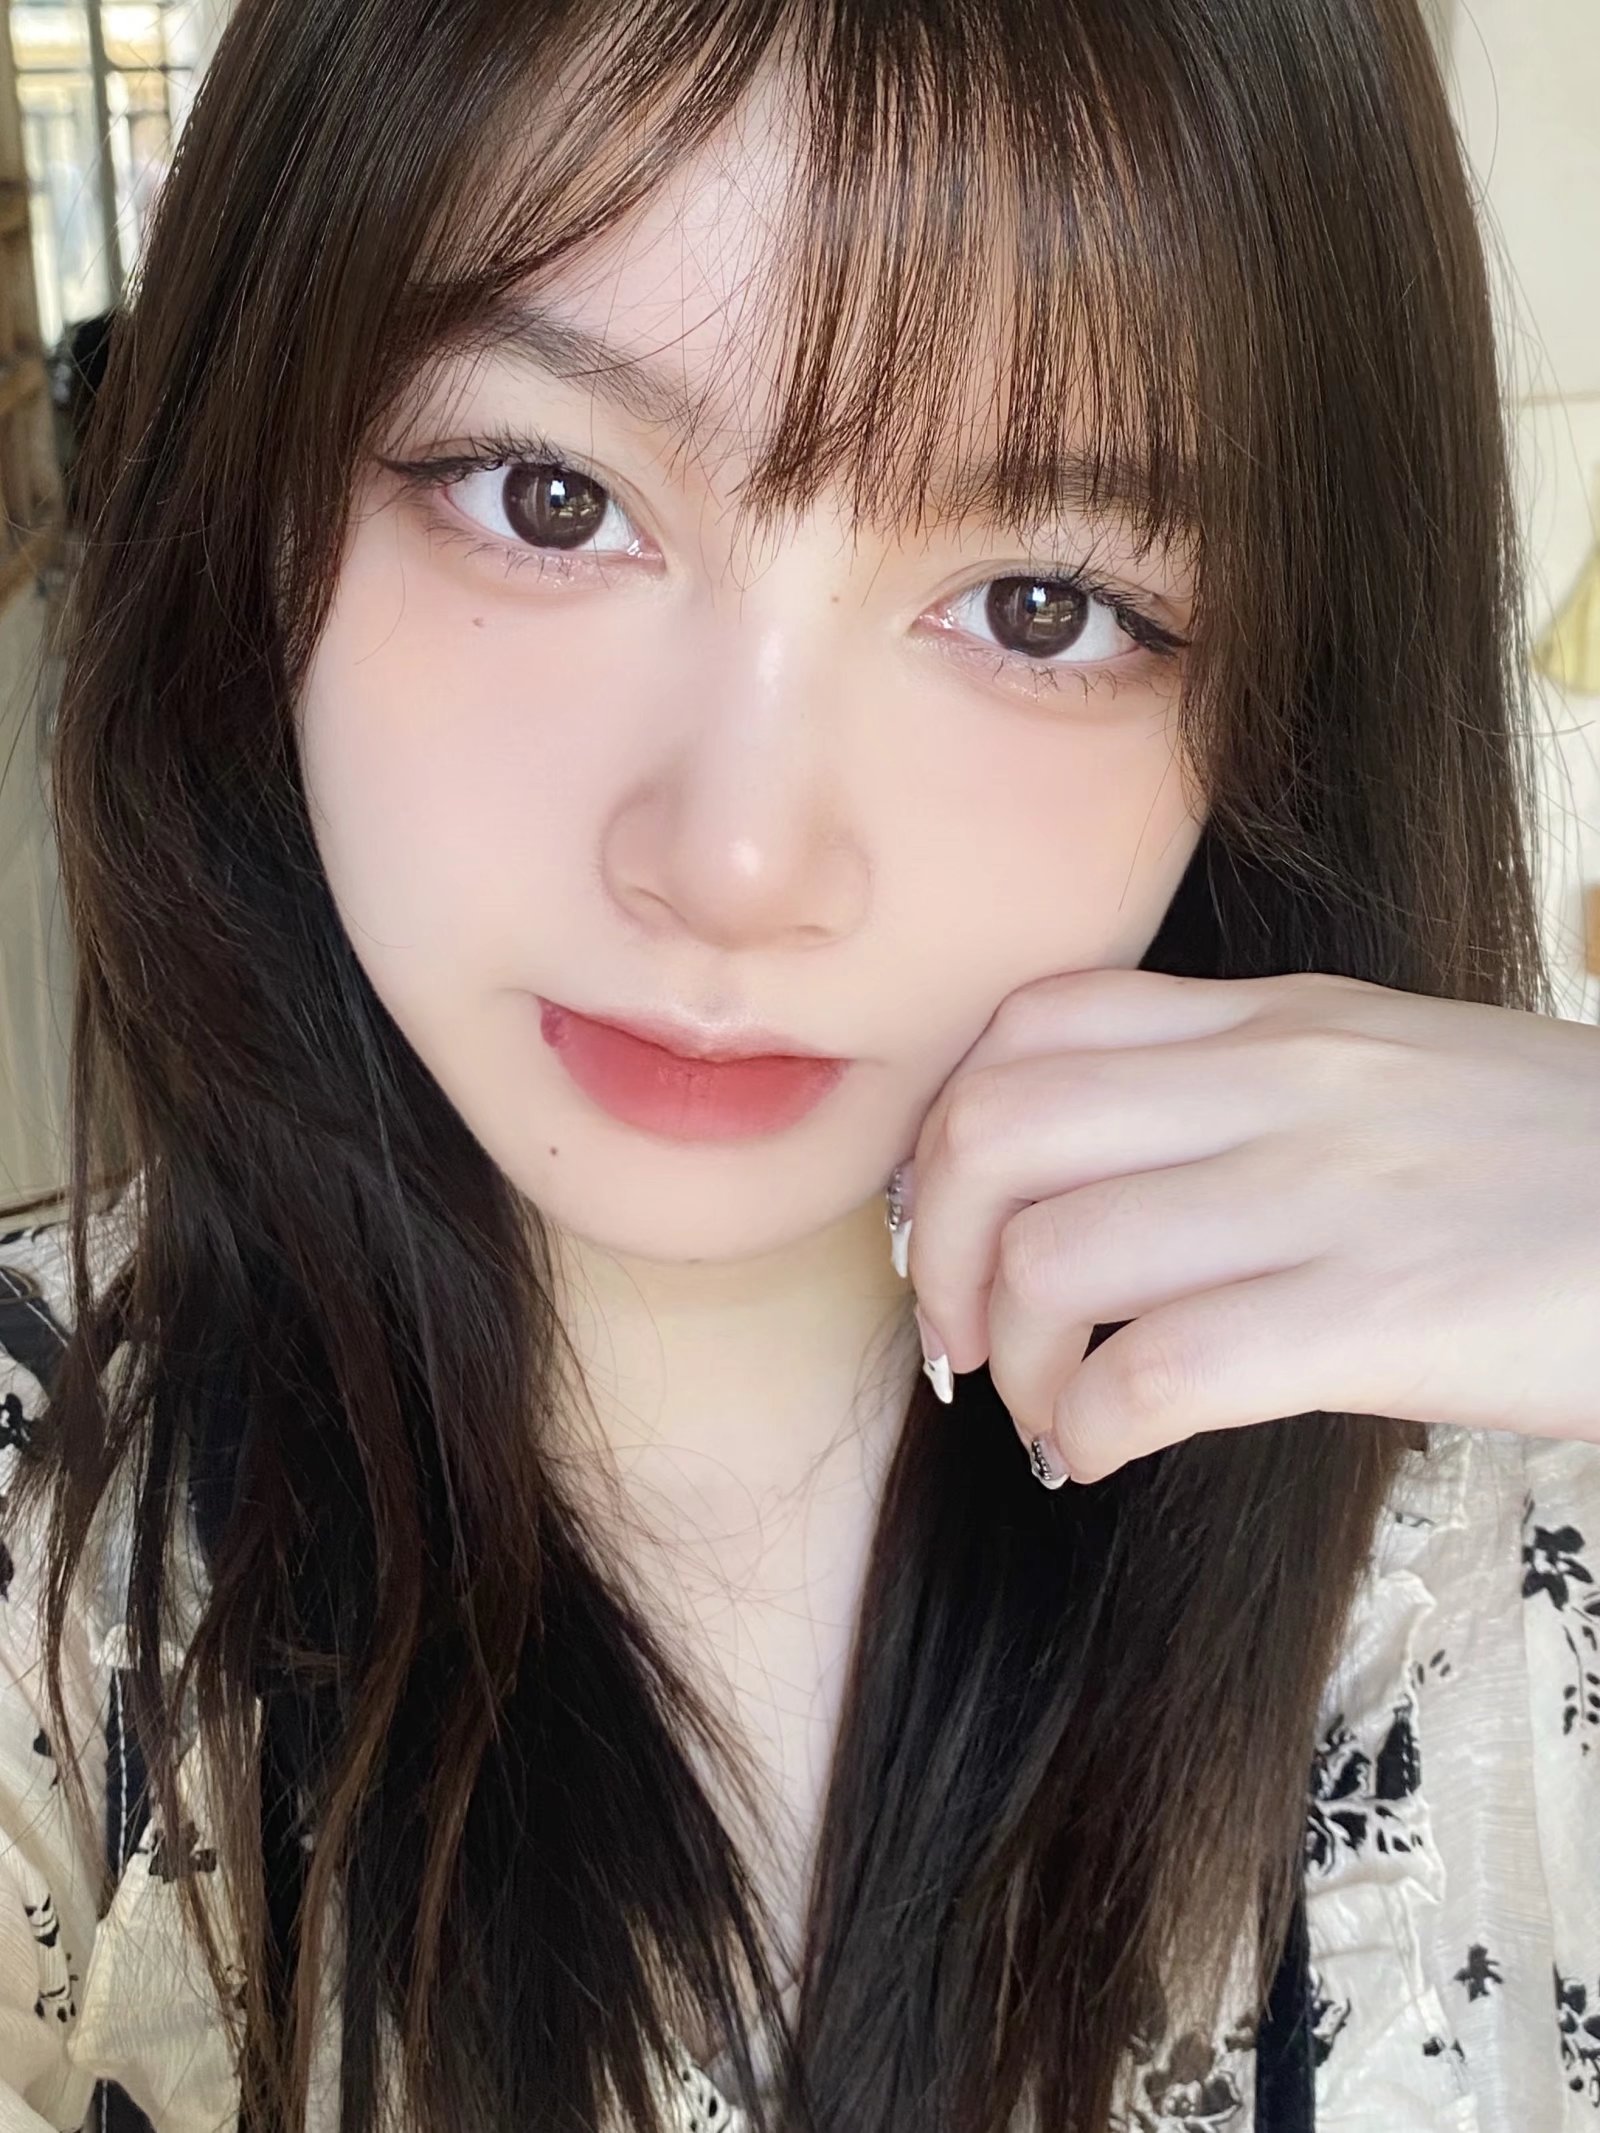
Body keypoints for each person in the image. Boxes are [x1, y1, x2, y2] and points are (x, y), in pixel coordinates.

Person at [1, 1, 1597, 2128]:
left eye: (1039, 608)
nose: (735, 863)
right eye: (548, 495)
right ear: (258, 493)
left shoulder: (1513, 1495)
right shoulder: (52, 1543)